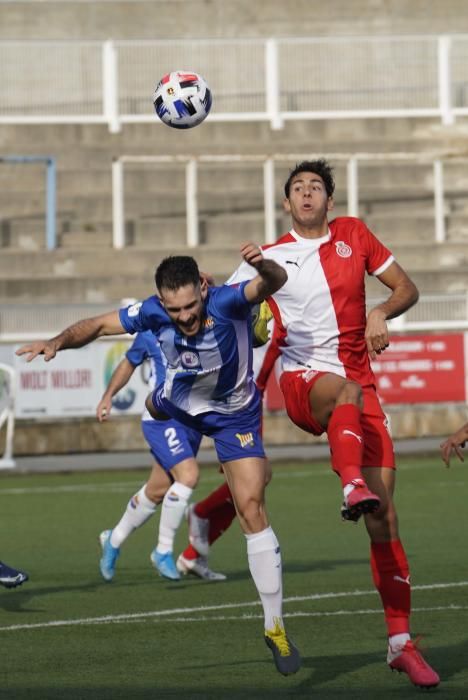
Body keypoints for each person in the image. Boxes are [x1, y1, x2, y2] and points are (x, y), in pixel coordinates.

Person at [16, 242, 301, 677]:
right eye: (173, 310)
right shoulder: (151, 312)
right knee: (170, 466)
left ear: (203, 288)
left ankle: (275, 627)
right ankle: (149, 536)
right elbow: (97, 326)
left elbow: (273, 282)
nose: (184, 316)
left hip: (233, 415)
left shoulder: (227, 300)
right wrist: (57, 342)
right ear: (160, 301)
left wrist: (263, 265)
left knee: (252, 506)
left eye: (189, 306)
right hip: (182, 410)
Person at [226, 161, 440, 689]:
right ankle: (349, 484)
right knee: (343, 398)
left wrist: (381, 312)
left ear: (328, 199)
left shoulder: (355, 235)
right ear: (286, 203)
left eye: (315, 187)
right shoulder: (270, 257)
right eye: (297, 188)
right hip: (304, 382)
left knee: (384, 522)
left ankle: (400, 645)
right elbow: (219, 308)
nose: (306, 194)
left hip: (360, 386)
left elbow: (407, 287)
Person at [96, 329, 227, 582]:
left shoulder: (207, 323)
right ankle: (163, 550)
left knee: (156, 490)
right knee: (188, 476)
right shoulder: (151, 328)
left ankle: (113, 539)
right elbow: (130, 361)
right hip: (162, 419)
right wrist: (108, 395)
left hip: (191, 422)